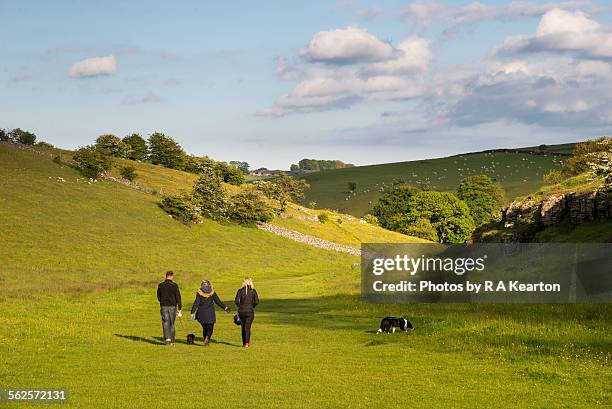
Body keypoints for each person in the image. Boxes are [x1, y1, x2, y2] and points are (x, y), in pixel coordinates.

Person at [190, 280, 230, 346]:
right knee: (210, 328)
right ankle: (207, 338)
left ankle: (206, 339)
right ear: (209, 285)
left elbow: (196, 303)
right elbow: (218, 302)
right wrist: (225, 308)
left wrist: (192, 311)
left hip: (201, 313)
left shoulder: (199, 293)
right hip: (210, 314)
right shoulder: (212, 293)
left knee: (204, 328)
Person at [157, 271, 182, 345]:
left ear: (166, 276)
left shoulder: (161, 285)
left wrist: (162, 301)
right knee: (172, 323)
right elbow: (178, 296)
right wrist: (179, 307)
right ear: (171, 276)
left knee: (165, 322)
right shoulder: (174, 285)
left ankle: (167, 339)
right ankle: (172, 339)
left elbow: (158, 296)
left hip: (164, 306)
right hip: (172, 306)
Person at [235, 277, 259, 348]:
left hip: (241, 311)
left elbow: (236, 301)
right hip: (249, 312)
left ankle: (244, 343)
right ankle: (247, 343)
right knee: (247, 328)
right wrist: (252, 306)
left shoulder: (240, 291)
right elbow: (257, 301)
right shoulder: (253, 291)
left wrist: (240, 306)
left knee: (243, 328)